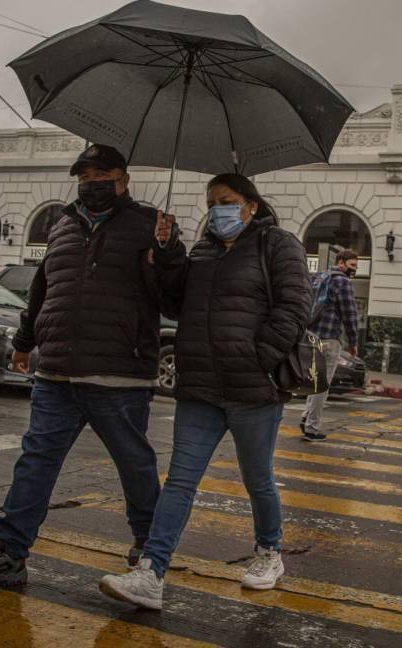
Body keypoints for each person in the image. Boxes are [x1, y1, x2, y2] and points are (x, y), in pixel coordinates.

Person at [0, 145, 168, 587]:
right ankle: (7, 553)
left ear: (123, 177)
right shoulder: (63, 224)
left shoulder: (148, 224)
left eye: (100, 173)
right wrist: (25, 342)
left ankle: (150, 548)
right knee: (36, 461)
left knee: (134, 465)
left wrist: (168, 250)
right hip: (57, 371)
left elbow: (173, 293)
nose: (91, 182)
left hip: (118, 374)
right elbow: (43, 289)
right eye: (84, 175)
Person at [99, 173, 311, 610]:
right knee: (180, 480)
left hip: (252, 389)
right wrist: (168, 250)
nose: (218, 210)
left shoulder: (278, 244)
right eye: (212, 202)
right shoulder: (202, 249)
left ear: (250, 205)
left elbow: (295, 306)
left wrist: (260, 356)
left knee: (257, 480)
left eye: (227, 201)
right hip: (200, 390)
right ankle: (151, 572)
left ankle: (269, 553)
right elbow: (175, 302)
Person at [300, 249, 360, 441]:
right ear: (340, 263)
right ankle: (312, 427)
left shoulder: (319, 277)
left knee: (314, 381)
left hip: (310, 336)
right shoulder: (342, 281)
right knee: (322, 385)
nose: (354, 270)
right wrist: (353, 341)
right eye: (352, 266)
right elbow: (349, 313)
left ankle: (305, 417)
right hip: (328, 339)